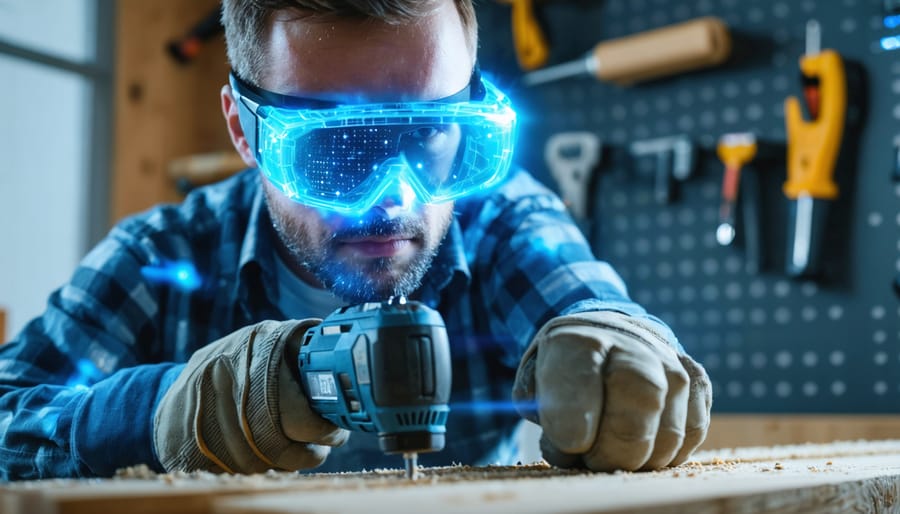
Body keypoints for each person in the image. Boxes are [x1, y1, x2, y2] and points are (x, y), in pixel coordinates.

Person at [0, 0, 711, 480]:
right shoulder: (164, 256)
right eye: (337, 151)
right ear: (244, 131)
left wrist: (618, 348)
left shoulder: (499, 223)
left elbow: (585, 307)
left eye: (428, 134)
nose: (394, 201)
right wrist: (158, 411)